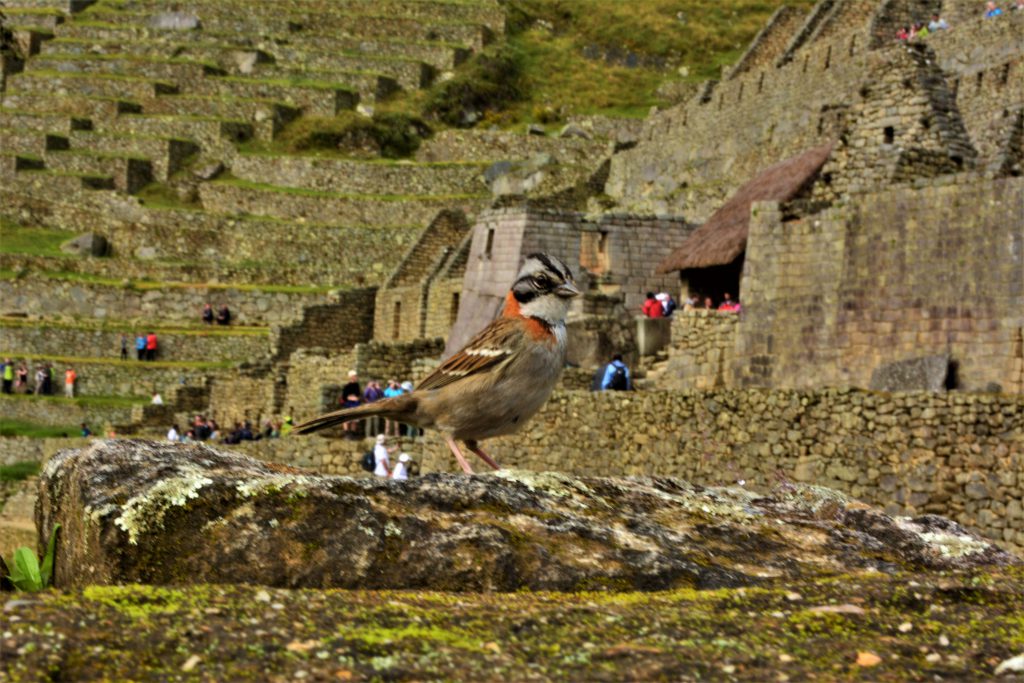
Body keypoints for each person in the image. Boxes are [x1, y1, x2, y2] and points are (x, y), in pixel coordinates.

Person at [339, 370, 362, 439]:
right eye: (354, 376)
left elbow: (358, 394)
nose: (356, 377)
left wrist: (356, 398)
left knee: (354, 419)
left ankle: (353, 433)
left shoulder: (357, 385)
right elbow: (344, 396)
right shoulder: (347, 386)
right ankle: (346, 433)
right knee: (347, 419)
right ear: (351, 377)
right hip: (348, 404)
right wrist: (351, 398)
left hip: (355, 404)